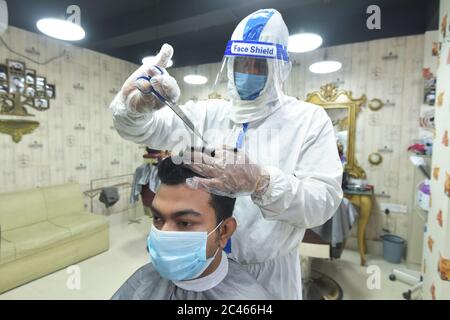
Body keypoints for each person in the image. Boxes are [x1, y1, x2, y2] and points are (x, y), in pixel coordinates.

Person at [110, 8, 343, 299]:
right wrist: (134, 107)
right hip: (203, 265)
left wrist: (262, 182)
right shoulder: (208, 112)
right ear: (230, 64)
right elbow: (144, 130)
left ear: (279, 69)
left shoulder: (308, 119)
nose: (248, 72)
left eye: (259, 65)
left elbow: (323, 202)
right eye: (242, 63)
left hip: (268, 269)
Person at [111, 157, 273, 299]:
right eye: (157, 218)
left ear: (223, 231)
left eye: (184, 223)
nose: (164, 234)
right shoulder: (143, 281)